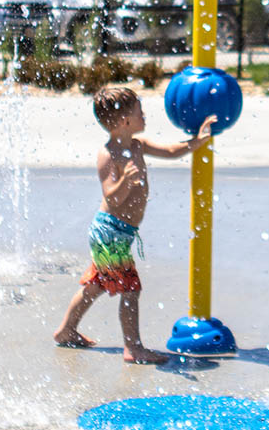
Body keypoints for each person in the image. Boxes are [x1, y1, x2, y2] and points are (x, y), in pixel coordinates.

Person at [54, 86, 215, 364]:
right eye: (140, 112)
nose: (145, 116)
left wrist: (196, 141)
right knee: (130, 289)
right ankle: (133, 348)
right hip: (110, 232)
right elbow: (111, 197)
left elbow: (170, 150)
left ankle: (66, 330)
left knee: (96, 284)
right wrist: (125, 181)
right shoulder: (108, 154)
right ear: (125, 121)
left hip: (120, 233)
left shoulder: (138, 146)